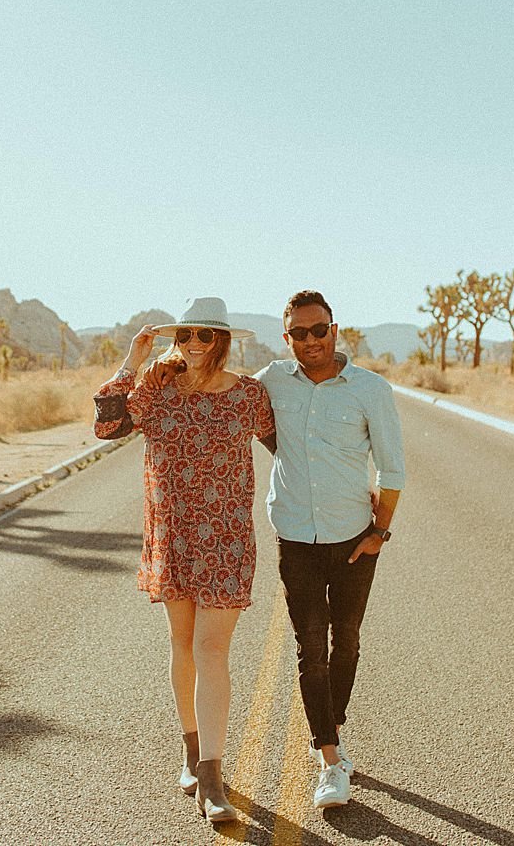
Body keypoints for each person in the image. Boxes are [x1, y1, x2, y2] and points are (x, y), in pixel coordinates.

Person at [93, 296, 276, 825]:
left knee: (211, 648)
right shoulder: (156, 387)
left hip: (225, 538)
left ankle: (214, 776)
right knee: (183, 644)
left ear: (221, 342)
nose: (193, 344)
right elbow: (107, 424)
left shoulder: (248, 396)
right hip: (172, 534)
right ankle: (191, 752)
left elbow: (286, 449)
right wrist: (132, 359)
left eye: (205, 336)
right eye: (187, 335)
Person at [257, 289, 404, 810]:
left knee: (347, 641)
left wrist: (378, 532)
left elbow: (392, 469)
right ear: (287, 337)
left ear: (335, 330)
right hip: (295, 536)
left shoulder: (370, 390)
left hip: (353, 540)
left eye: (319, 330)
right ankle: (331, 758)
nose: (311, 340)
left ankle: (329, 728)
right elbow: (229, 406)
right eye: (300, 332)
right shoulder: (272, 382)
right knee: (310, 648)